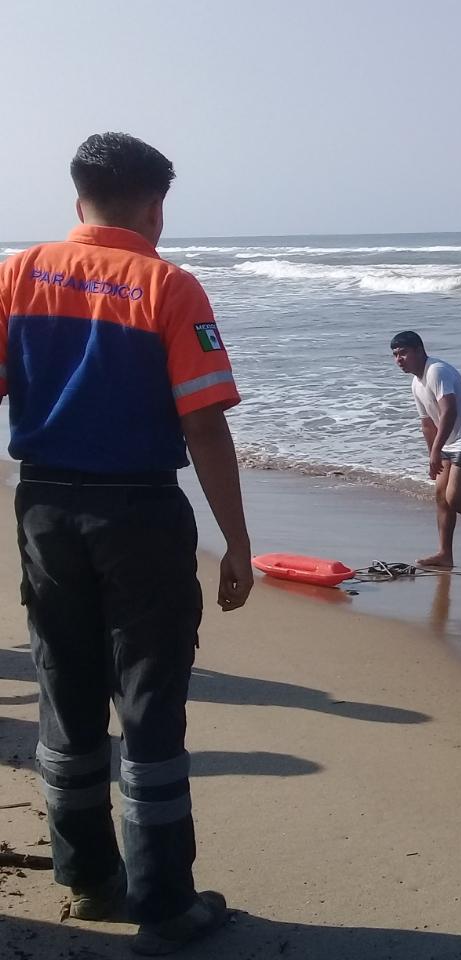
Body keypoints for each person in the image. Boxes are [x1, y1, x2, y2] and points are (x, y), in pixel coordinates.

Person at [0, 133, 251, 954]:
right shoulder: (167, 285)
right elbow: (204, 421)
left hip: (43, 507)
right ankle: (165, 904)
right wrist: (237, 542)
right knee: (148, 705)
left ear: (80, 200)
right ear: (156, 207)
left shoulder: (17, 273)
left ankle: (86, 879)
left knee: (64, 690)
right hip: (138, 513)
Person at [390, 331, 461, 567]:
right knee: (441, 498)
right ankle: (445, 553)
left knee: (454, 498)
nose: (399, 359)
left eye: (403, 353)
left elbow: (449, 411)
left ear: (419, 351)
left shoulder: (437, 371)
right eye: (395, 355)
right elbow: (427, 423)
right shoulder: (417, 382)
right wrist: (432, 455)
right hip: (448, 444)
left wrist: (436, 450)